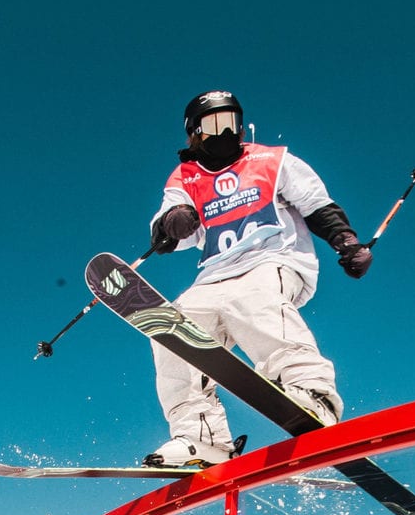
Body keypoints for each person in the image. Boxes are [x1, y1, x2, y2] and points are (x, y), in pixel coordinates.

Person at [142, 90, 373, 468]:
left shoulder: (271, 160)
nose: (225, 132)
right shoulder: (187, 177)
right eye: (214, 125)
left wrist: (346, 242)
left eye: (231, 122)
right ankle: (201, 435)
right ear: (194, 133)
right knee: (172, 327)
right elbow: (165, 232)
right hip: (214, 274)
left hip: (273, 260)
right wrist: (174, 221)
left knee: (254, 303)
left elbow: (317, 203)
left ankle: (313, 393)